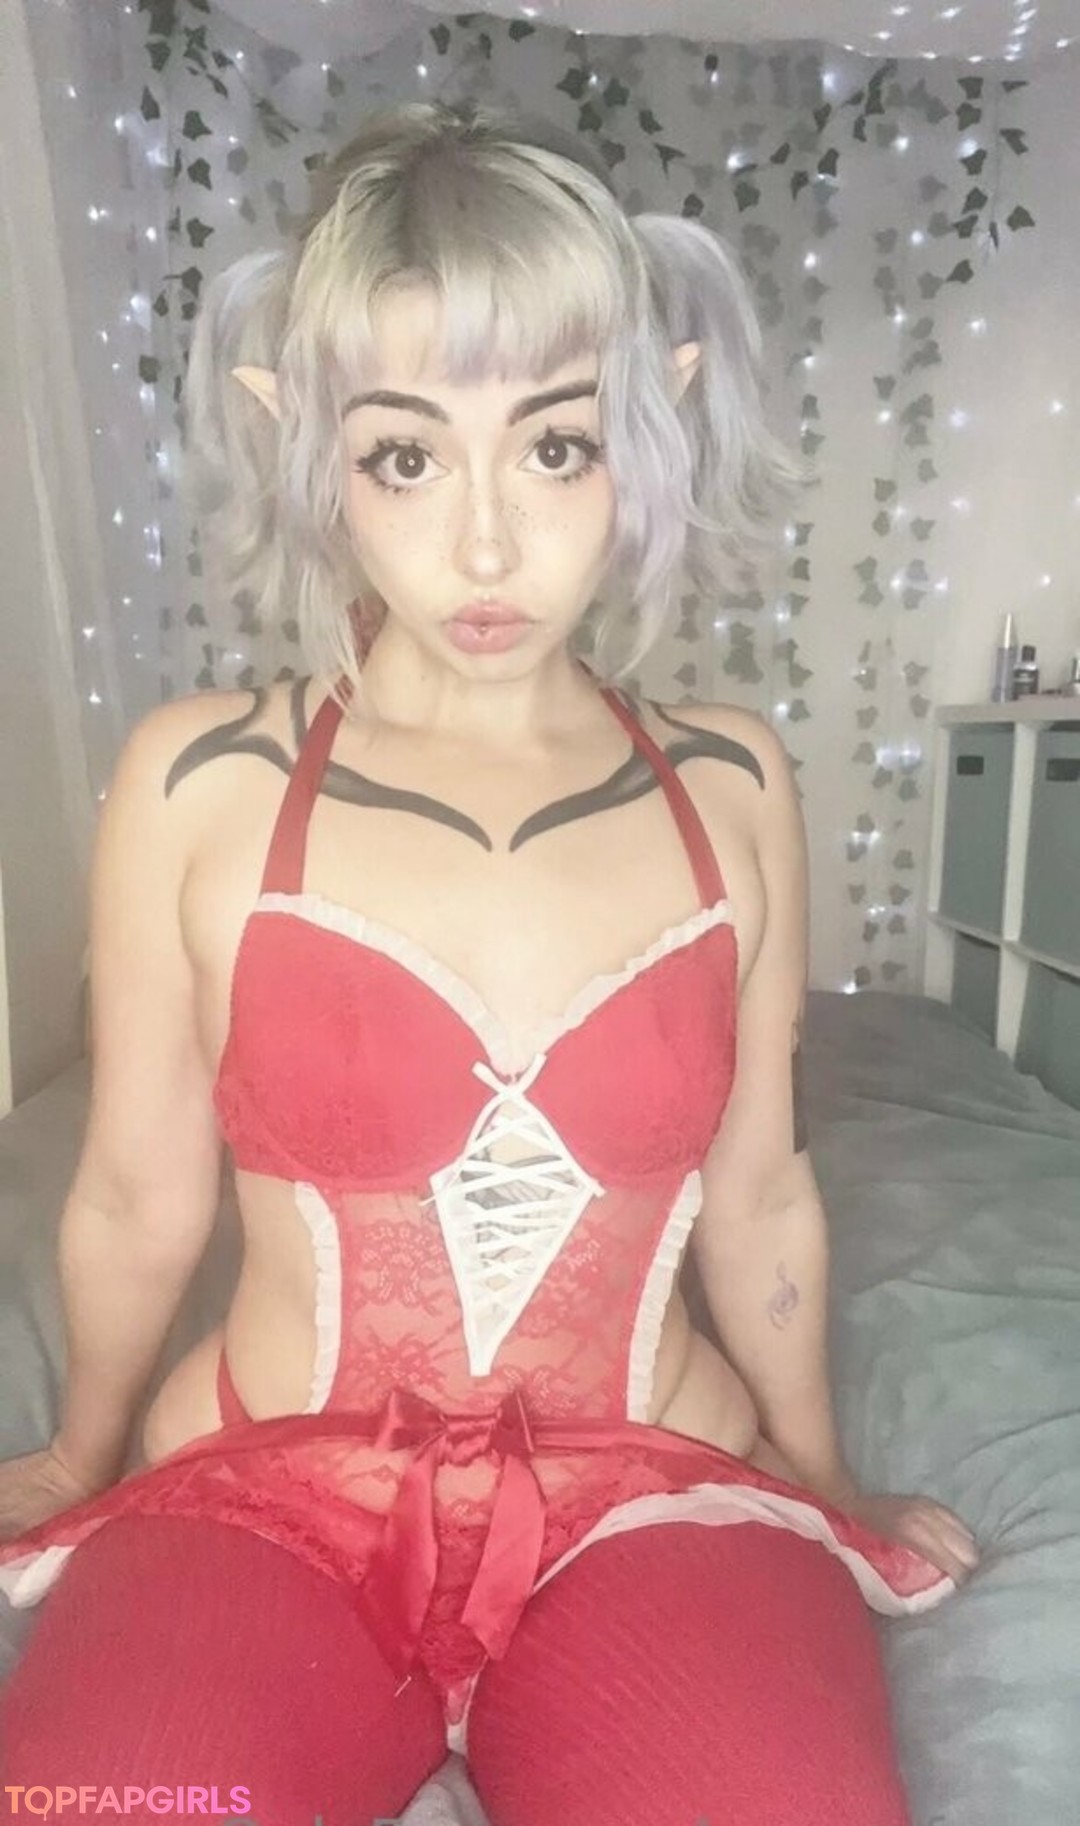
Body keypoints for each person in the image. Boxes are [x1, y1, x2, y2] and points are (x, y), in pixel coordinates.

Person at [0, 101, 977, 1825]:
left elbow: (760, 1197)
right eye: (404, 455)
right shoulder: (199, 781)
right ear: (302, 443)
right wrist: (79, 1455)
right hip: (262, 1494)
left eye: (554, 445)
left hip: (654, 1491)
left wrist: (827, 1482)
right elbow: (138, 1191)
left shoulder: (732, 787)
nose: (483, 545)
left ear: (654, 422)